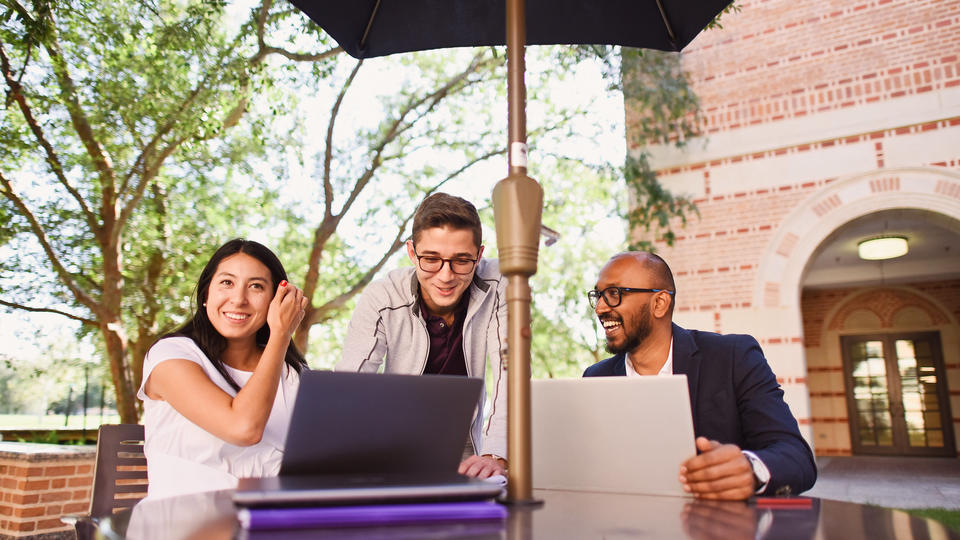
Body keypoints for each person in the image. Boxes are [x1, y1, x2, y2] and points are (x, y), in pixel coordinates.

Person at [583, 252, 816, 500]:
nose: (600, 307)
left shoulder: (733, 358)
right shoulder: (596, 377)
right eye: (598, 295)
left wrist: (750, 470)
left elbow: (796, 457)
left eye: (614, 294)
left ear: (659, 303)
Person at [338, 193, 508, 479]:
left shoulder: (500, 282)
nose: (445, 276)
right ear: (412, 252)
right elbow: (348, 387)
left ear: (479, 256)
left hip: (467, 457)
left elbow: (510, 371)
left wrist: (497, 454)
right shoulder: (383, 295)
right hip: (391, 454)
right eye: (431, 259)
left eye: (461, 260)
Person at [138, 239, 309, 499]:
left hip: (268, 522)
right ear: (206, 294)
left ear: (275, 300)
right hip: (183, 524)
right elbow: (243, 428)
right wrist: (281, 335)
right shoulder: (171, 355)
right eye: (227, 282)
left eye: (256, 287)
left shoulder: (291, 374)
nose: (239, 299)